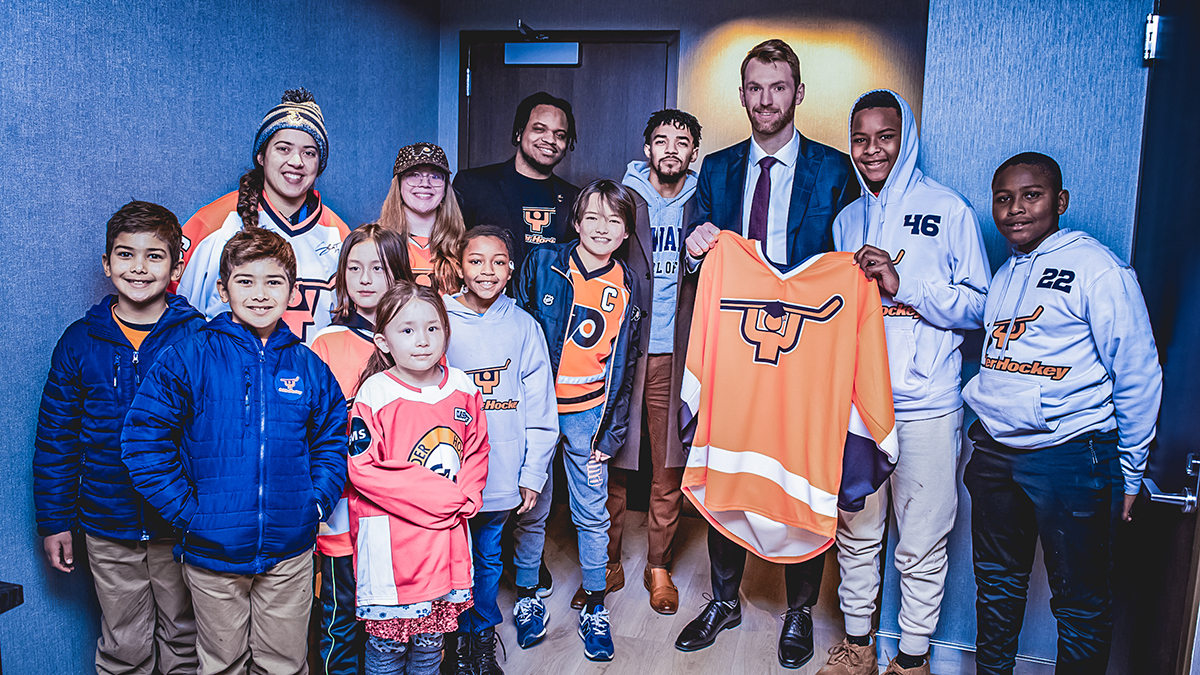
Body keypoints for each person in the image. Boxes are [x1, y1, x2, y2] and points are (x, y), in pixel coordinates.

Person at [675, 38, 857, 669]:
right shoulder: (718, 169)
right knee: (728, 465)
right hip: (736, 348)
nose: (765, 100)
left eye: (778, 87)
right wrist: (698, 242)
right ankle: (725, 600)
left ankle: (799, 609)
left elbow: (849, 262)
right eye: (754, 88)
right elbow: (698, 257)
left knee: (800, 468)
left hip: (806, 352)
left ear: (798, 93)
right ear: (743, 94)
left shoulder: (835, 171)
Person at [962, 152, 1162, 675]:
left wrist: (1132, 471)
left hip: (1070, 457)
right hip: (997, 456)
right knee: (998, 589)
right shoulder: (1006, 274)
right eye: (1003, 199)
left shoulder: (1097, 267)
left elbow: (1138, 371)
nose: (1015, 210)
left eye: (1031, 195)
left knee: (1079, 607)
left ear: (1060, 201)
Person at [122, 228, 349, 675]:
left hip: (289, 550)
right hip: (213, 554)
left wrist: (315, 501)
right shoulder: (190, 355)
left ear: (293, 289)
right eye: (245, 281)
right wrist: (190, 513)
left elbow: (331, 438)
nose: (260, 294)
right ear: (223, 290)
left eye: (274, 281)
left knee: (284, 663)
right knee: (222, 663)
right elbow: (142, 441)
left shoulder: (308, 365)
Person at [819, 90, 991, 675]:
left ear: (906, 137)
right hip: (859, 405)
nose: (872, 150)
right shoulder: (845, 220)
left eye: (884, 136)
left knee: (921, 540)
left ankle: (911, 661)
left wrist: (904, 285)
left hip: (926, 403)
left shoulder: (950, 210)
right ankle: (859, 648)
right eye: (860, 138)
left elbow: (981, 307)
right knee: (857, 529)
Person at [34, 201, 204, 675]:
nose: (139, 267)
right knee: (124, 645)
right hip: (107, 526)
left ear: (177, 265)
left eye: (154, 255)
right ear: (107, 264)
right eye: (126, 255)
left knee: (185, 641)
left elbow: (216, 435)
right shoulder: (80, 342)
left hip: (180, 526)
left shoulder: (199, 339)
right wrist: (54, 521)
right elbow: (56, 439)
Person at [515, 180, 642, 662]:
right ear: (576, 222)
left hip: (590, 415)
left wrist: (611, 433)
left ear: (627, 229)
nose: (602, 228)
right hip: (540, 411)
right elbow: (520, 339)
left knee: (592, 510)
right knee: (533, 506)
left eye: (614, 220)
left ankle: (594, 603)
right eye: (592, 217)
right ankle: (527, 595)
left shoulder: (626, 282)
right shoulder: (544, 263)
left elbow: (625, 365)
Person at [346, 282, 490, 675]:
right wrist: (444, 501)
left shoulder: (462, 387)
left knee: (431, 646)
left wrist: (469, 495)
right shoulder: (375, 393)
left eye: (433, 328)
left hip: (444, 545)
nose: (422, 341)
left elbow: (477, 448)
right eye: (407, 330)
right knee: (387, 650)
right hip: (395, 550)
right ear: (384, 341)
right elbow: (364, 468)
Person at [597, 109, 702, 616]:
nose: (671, 149)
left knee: (668, 465)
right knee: (612, 460)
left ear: (693, 152)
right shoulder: (620, 199)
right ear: (646, 148)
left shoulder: (704, 203)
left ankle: (658, 564)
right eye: (661, 140)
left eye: (681, 142)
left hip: (673, 355)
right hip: (622, 351)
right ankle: (606, 560)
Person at [442, 226, 558, 673]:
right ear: (460, 266)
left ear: (511, 270)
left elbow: (541, 409)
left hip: (501, 472)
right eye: (476, 260)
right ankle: (449, 642)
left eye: (498, 261)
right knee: (449, 559)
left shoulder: (524, 326)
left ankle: (480, 641)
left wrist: (532, 474)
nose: (486, 270)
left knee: (488, 554)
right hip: (447, 473)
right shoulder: (441, 318)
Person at [310, 223, 414, 675]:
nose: (366, 277)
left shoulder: (418, 341)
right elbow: (313, 432)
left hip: (400, 513)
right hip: (341, 514)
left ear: (400, 275)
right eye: (355, 267)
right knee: (341, 617)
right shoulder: (326, 343)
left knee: (396, 622)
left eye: (378, 267)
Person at [176, 88, 350, 345]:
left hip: (312, 380)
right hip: (228, 378)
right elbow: (172, 307)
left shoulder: (340, 233)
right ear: (261, 156)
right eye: (283, 148)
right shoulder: (213, 222)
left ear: (319, 164)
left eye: (309, 152)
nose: (296, 161)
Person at [454, 91, 580, 274]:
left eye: (560, 135)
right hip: (489, 300)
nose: (550, 140)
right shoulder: (473, 184)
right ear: (520, 132)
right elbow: (450, 248)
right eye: (539, 129)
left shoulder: (574, 197)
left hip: (551, 301)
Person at [378, 143, 464, 294]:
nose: (425, 184)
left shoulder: (464, 246)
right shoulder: (375, 242)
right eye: (413, 175)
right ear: (398, 183)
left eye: (435, 176)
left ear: (445, 187)